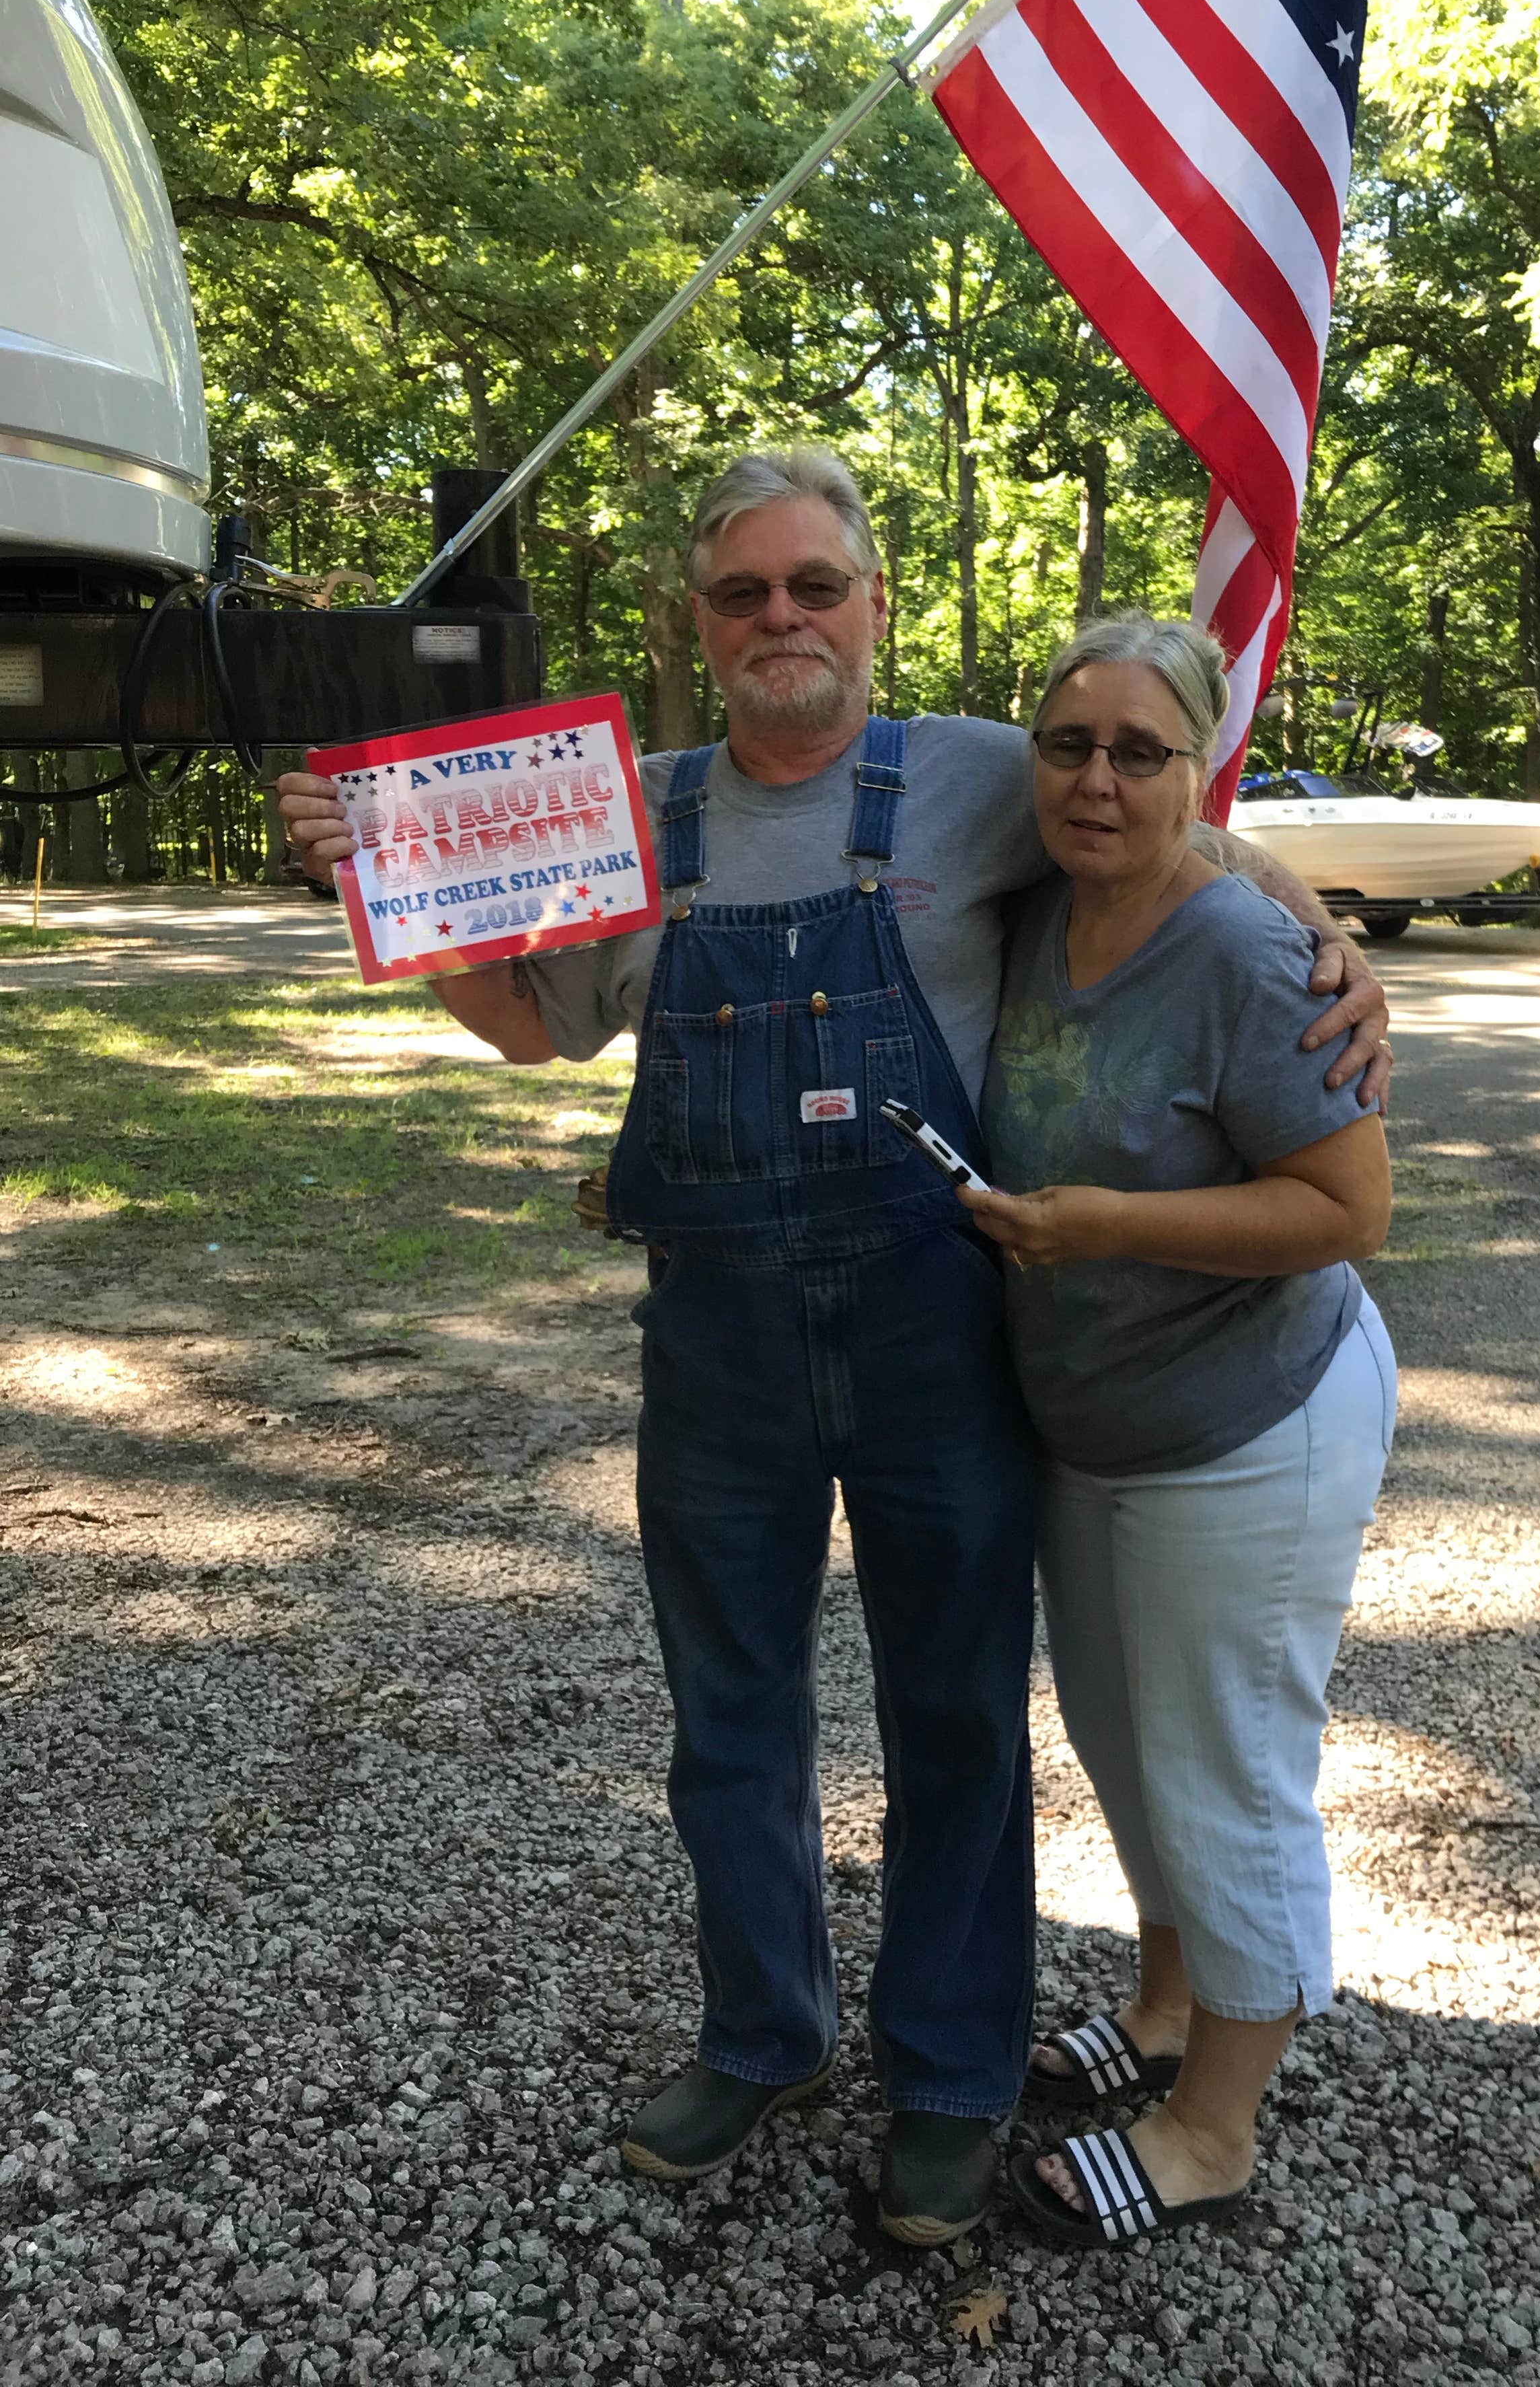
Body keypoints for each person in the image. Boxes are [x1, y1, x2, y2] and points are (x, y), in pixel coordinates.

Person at [277, 449, 1393, 2246]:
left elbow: (1163, 824)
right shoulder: (615, 809)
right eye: (744, 594)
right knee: (731, 1720)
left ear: (873, 605)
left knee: (954, 1714)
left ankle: (952, 2075)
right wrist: (380, 881)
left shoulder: (980, 776)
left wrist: (1329, 941)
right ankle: (764, 2032)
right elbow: (535, 1035)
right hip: (714, 1346)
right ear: (698, 624)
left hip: (934, 1332)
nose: (782, 619)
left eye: (816, 585)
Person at [959, 612, 1396, 2251]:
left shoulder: (1239, 954)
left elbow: (1348, 1208)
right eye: (1070, 744)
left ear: (1195, 770)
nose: (1097, 778)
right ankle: (1162, 2004)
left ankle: (1216, 2125)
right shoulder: (1029, 904)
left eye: (1142, 752)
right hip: (1092, 1421)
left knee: (1225, 1766)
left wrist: (1104, 1225)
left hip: (1252, 1421)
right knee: (1125, 1745)